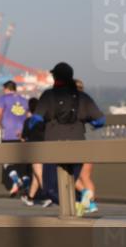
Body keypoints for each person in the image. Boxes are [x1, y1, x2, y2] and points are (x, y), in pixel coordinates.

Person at [32, 63, 105, 215]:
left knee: (50, 189)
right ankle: (81, 203)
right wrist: (89, 122)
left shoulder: (48, 95)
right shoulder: (82, 97)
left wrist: (39, 126)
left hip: (53, 147)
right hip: (77, 146)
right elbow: (100, 120)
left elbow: (36, 119)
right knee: (70, 182)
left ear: (55, 77)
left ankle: (76, 205)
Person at [0, 80, 30, 197]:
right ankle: (22, 185)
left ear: (6, 89)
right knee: (21, 163)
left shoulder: (3, 98)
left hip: (8, 135)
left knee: (7, 161)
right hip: (22, 135)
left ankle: (16, 180)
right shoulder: (24, 100)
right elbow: (28, 116)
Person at [21, 97, 52, 207]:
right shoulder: (45, 120)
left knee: (39, 174)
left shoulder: (29, 121)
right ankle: (30, 198)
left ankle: (49, 196)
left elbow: (24, 136)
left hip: (34, 149)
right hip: (45, 148)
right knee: (36, 175)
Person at [74, 78, 97, 213]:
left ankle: (84, 193)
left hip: (76, 141)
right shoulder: (88, 102)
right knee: (86, 176)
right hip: (90, 143)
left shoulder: (69, 104)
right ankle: (91, 204)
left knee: (70, 175)